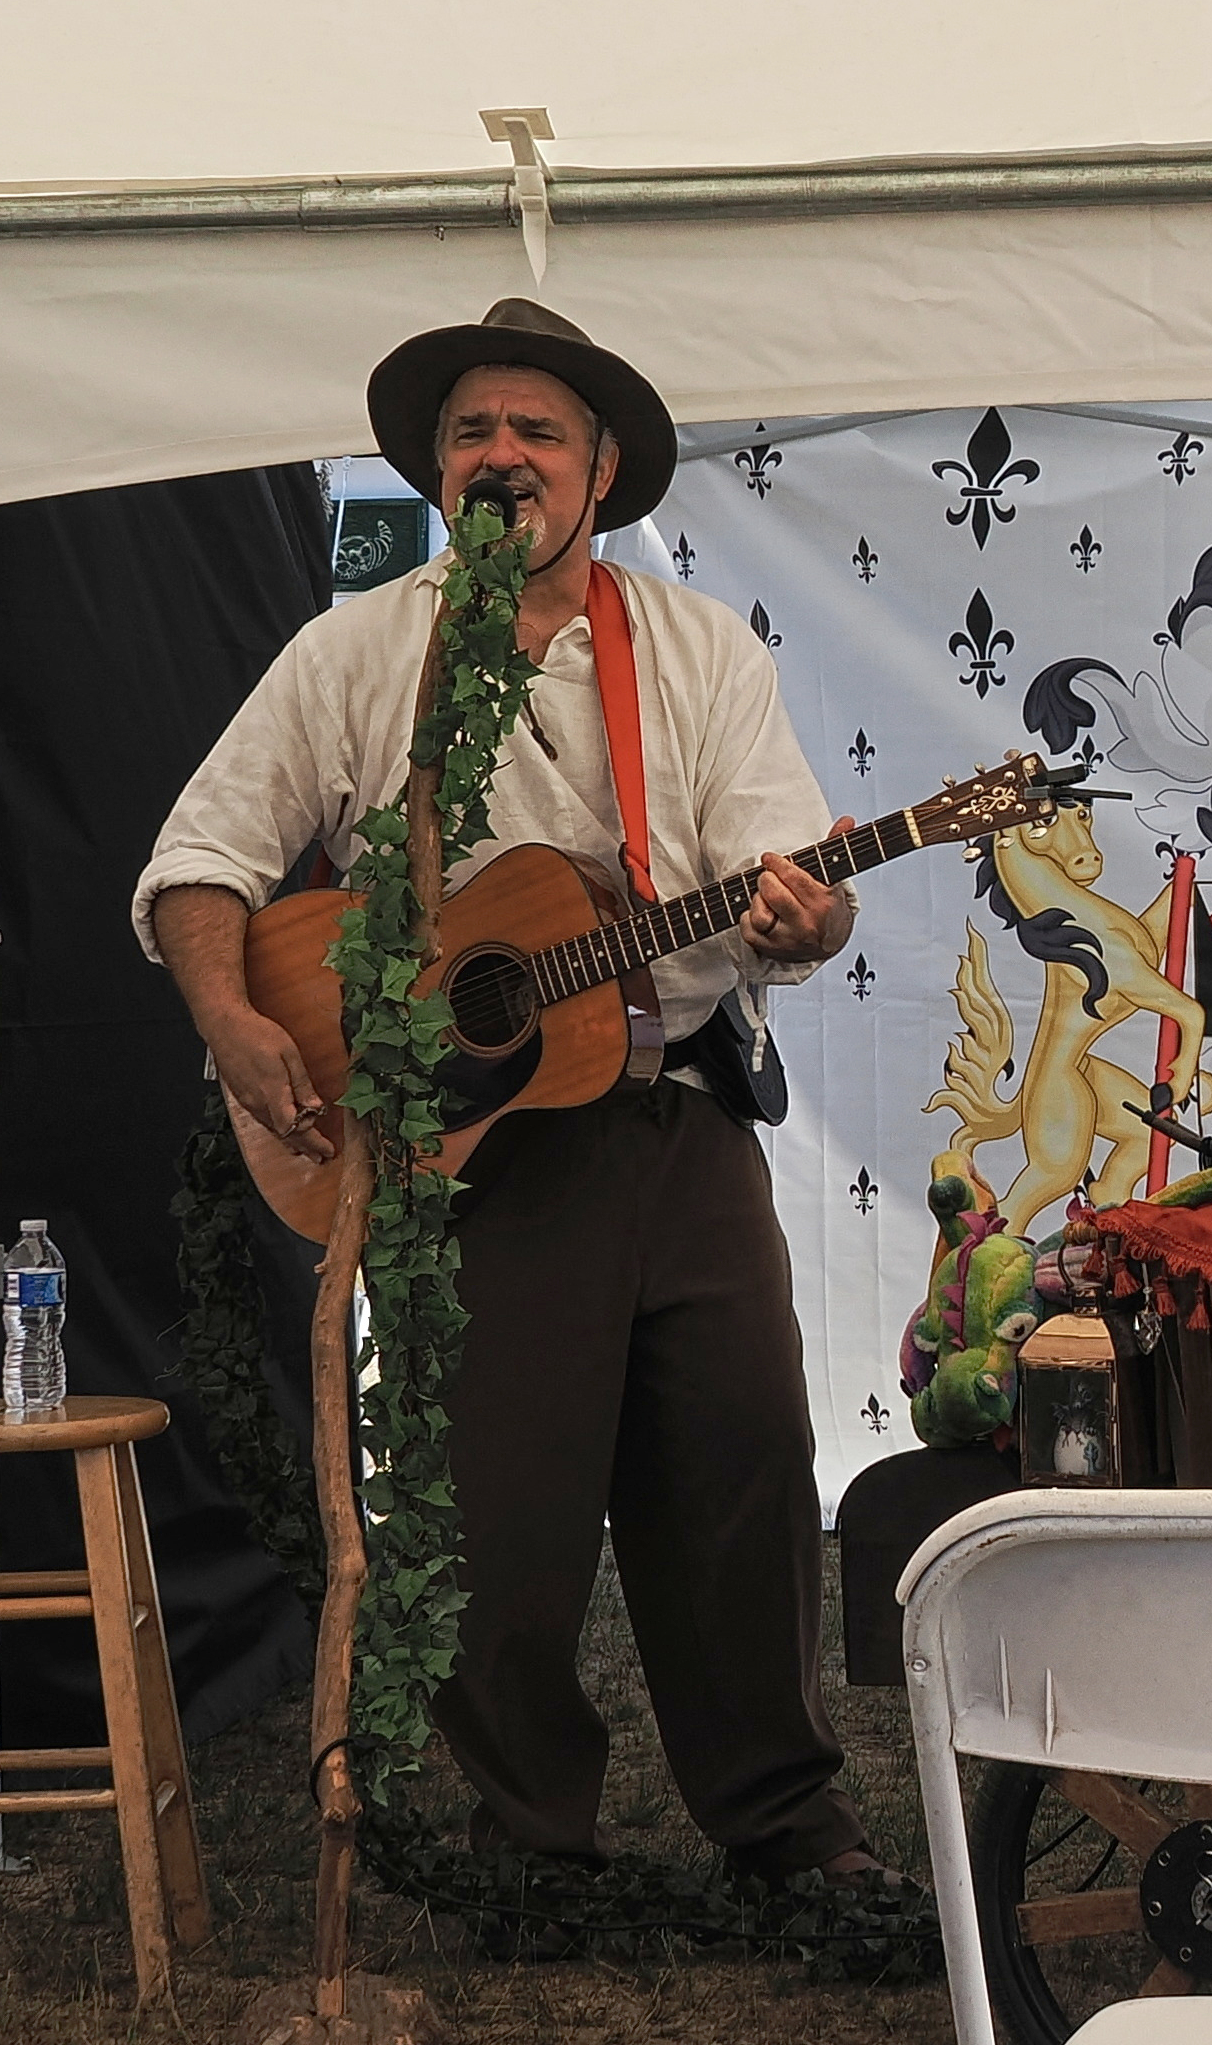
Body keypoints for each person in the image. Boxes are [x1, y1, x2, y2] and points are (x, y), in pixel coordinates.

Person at [136, 299, 888, 1886]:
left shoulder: (696, 649)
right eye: (473, 430)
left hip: (679, 1108)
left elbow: (785, 875)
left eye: (537, 432)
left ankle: (784, 1827)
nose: (501, 456)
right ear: (437, 469)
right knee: (499, 1504)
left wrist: (805, 918)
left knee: (745, 1454)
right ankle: (532, 1842)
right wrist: (232, 1016)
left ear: (600, 475)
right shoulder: (358, 648)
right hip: (470, 1142)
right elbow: (201, 855)